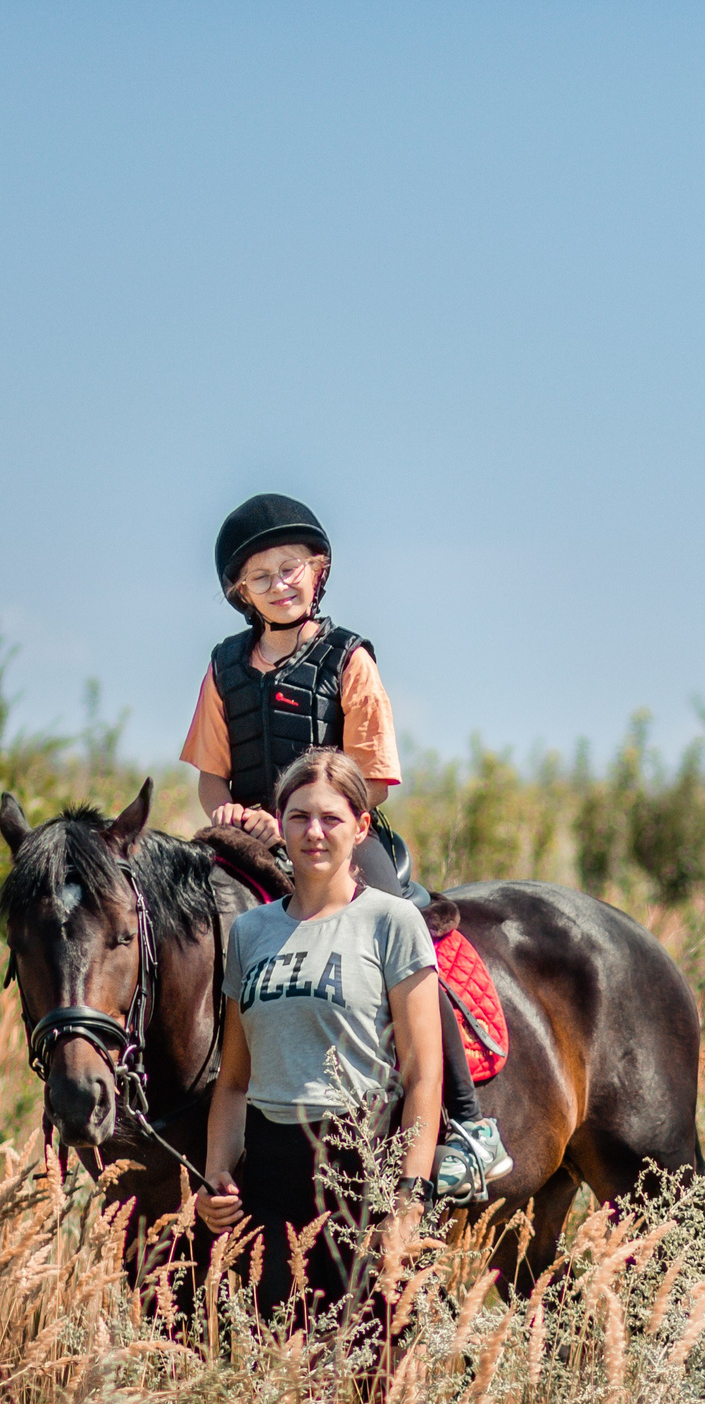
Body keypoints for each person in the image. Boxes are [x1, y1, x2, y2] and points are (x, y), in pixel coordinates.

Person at [180, 492, 508, 1204]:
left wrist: (303, 817)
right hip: (252, 842)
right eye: (260, 576)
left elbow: (377, 777)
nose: (278, 584)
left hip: (342, 834)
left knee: (405, 924)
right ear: (240, 591)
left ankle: (470, 1126)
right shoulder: (223, 667)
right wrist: (232, 813)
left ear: (317, 570)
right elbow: (210, 778)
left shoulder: (349, 658)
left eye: (290, 569)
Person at [196, 750, 444, 1328]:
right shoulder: (252, 932)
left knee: (369, 1381)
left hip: (362, 1170)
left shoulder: (391, 921)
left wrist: (407, 1199)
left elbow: (422, 1077)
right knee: (280, 1378)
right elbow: (234, 1081)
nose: (314, 832)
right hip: (270, 1183)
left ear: (361, 828)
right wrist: (217, 1175)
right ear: (279, 823)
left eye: (331, 818)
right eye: (299, 816)